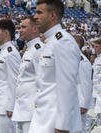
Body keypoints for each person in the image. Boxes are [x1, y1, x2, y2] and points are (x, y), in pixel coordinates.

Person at [29, 0, 82, 133]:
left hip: (54, 124)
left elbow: (67, 86)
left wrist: (63, 126)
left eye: (39, 12)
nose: (35, 16)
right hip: (43, 119)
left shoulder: (63, 41)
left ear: (52, 15)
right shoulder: (50, 41)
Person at [12, 16, 44, 133]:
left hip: (32, 110)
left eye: (23, 27)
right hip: (22, 108)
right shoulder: (29, 49)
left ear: (35, 29)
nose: (20, 30)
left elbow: (43, 81)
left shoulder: (39, 49)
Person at [0, 19, 21, 133]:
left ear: (6, 33)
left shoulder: (11, 53)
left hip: (5, 105)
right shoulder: (3, 51)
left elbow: (14, 80)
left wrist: (11, 106)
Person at [74, 35, 93, 133]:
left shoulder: (82, 61)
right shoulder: (73, 58)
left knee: (79, 129)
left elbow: (86, 84)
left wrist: (84, 104)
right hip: (73, 101)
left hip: (79, 102)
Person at [92, 38, 101, 126]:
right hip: (95, 92)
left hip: (100, 91)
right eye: (93, 46)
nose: (94, 48)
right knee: (96, 116)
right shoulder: (97, 59)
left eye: (96, 46)